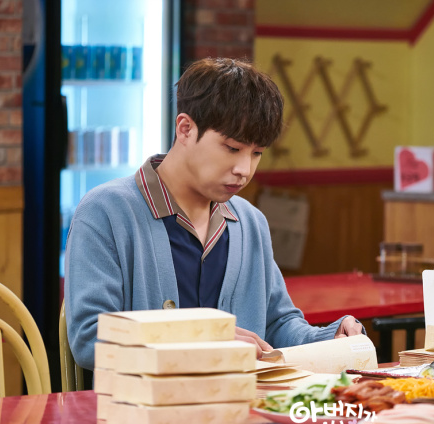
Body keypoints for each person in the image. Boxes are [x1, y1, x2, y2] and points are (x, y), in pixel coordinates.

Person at [65, 58, 363, 370]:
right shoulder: (106, 212)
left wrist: (330, 338)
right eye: (232, 148)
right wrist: (206, 340)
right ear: (185, 129)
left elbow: (276, 324)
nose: (244, 169)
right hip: (141, 401)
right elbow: (89, 339)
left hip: (244, 398)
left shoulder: (250, 223)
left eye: (257, 153)